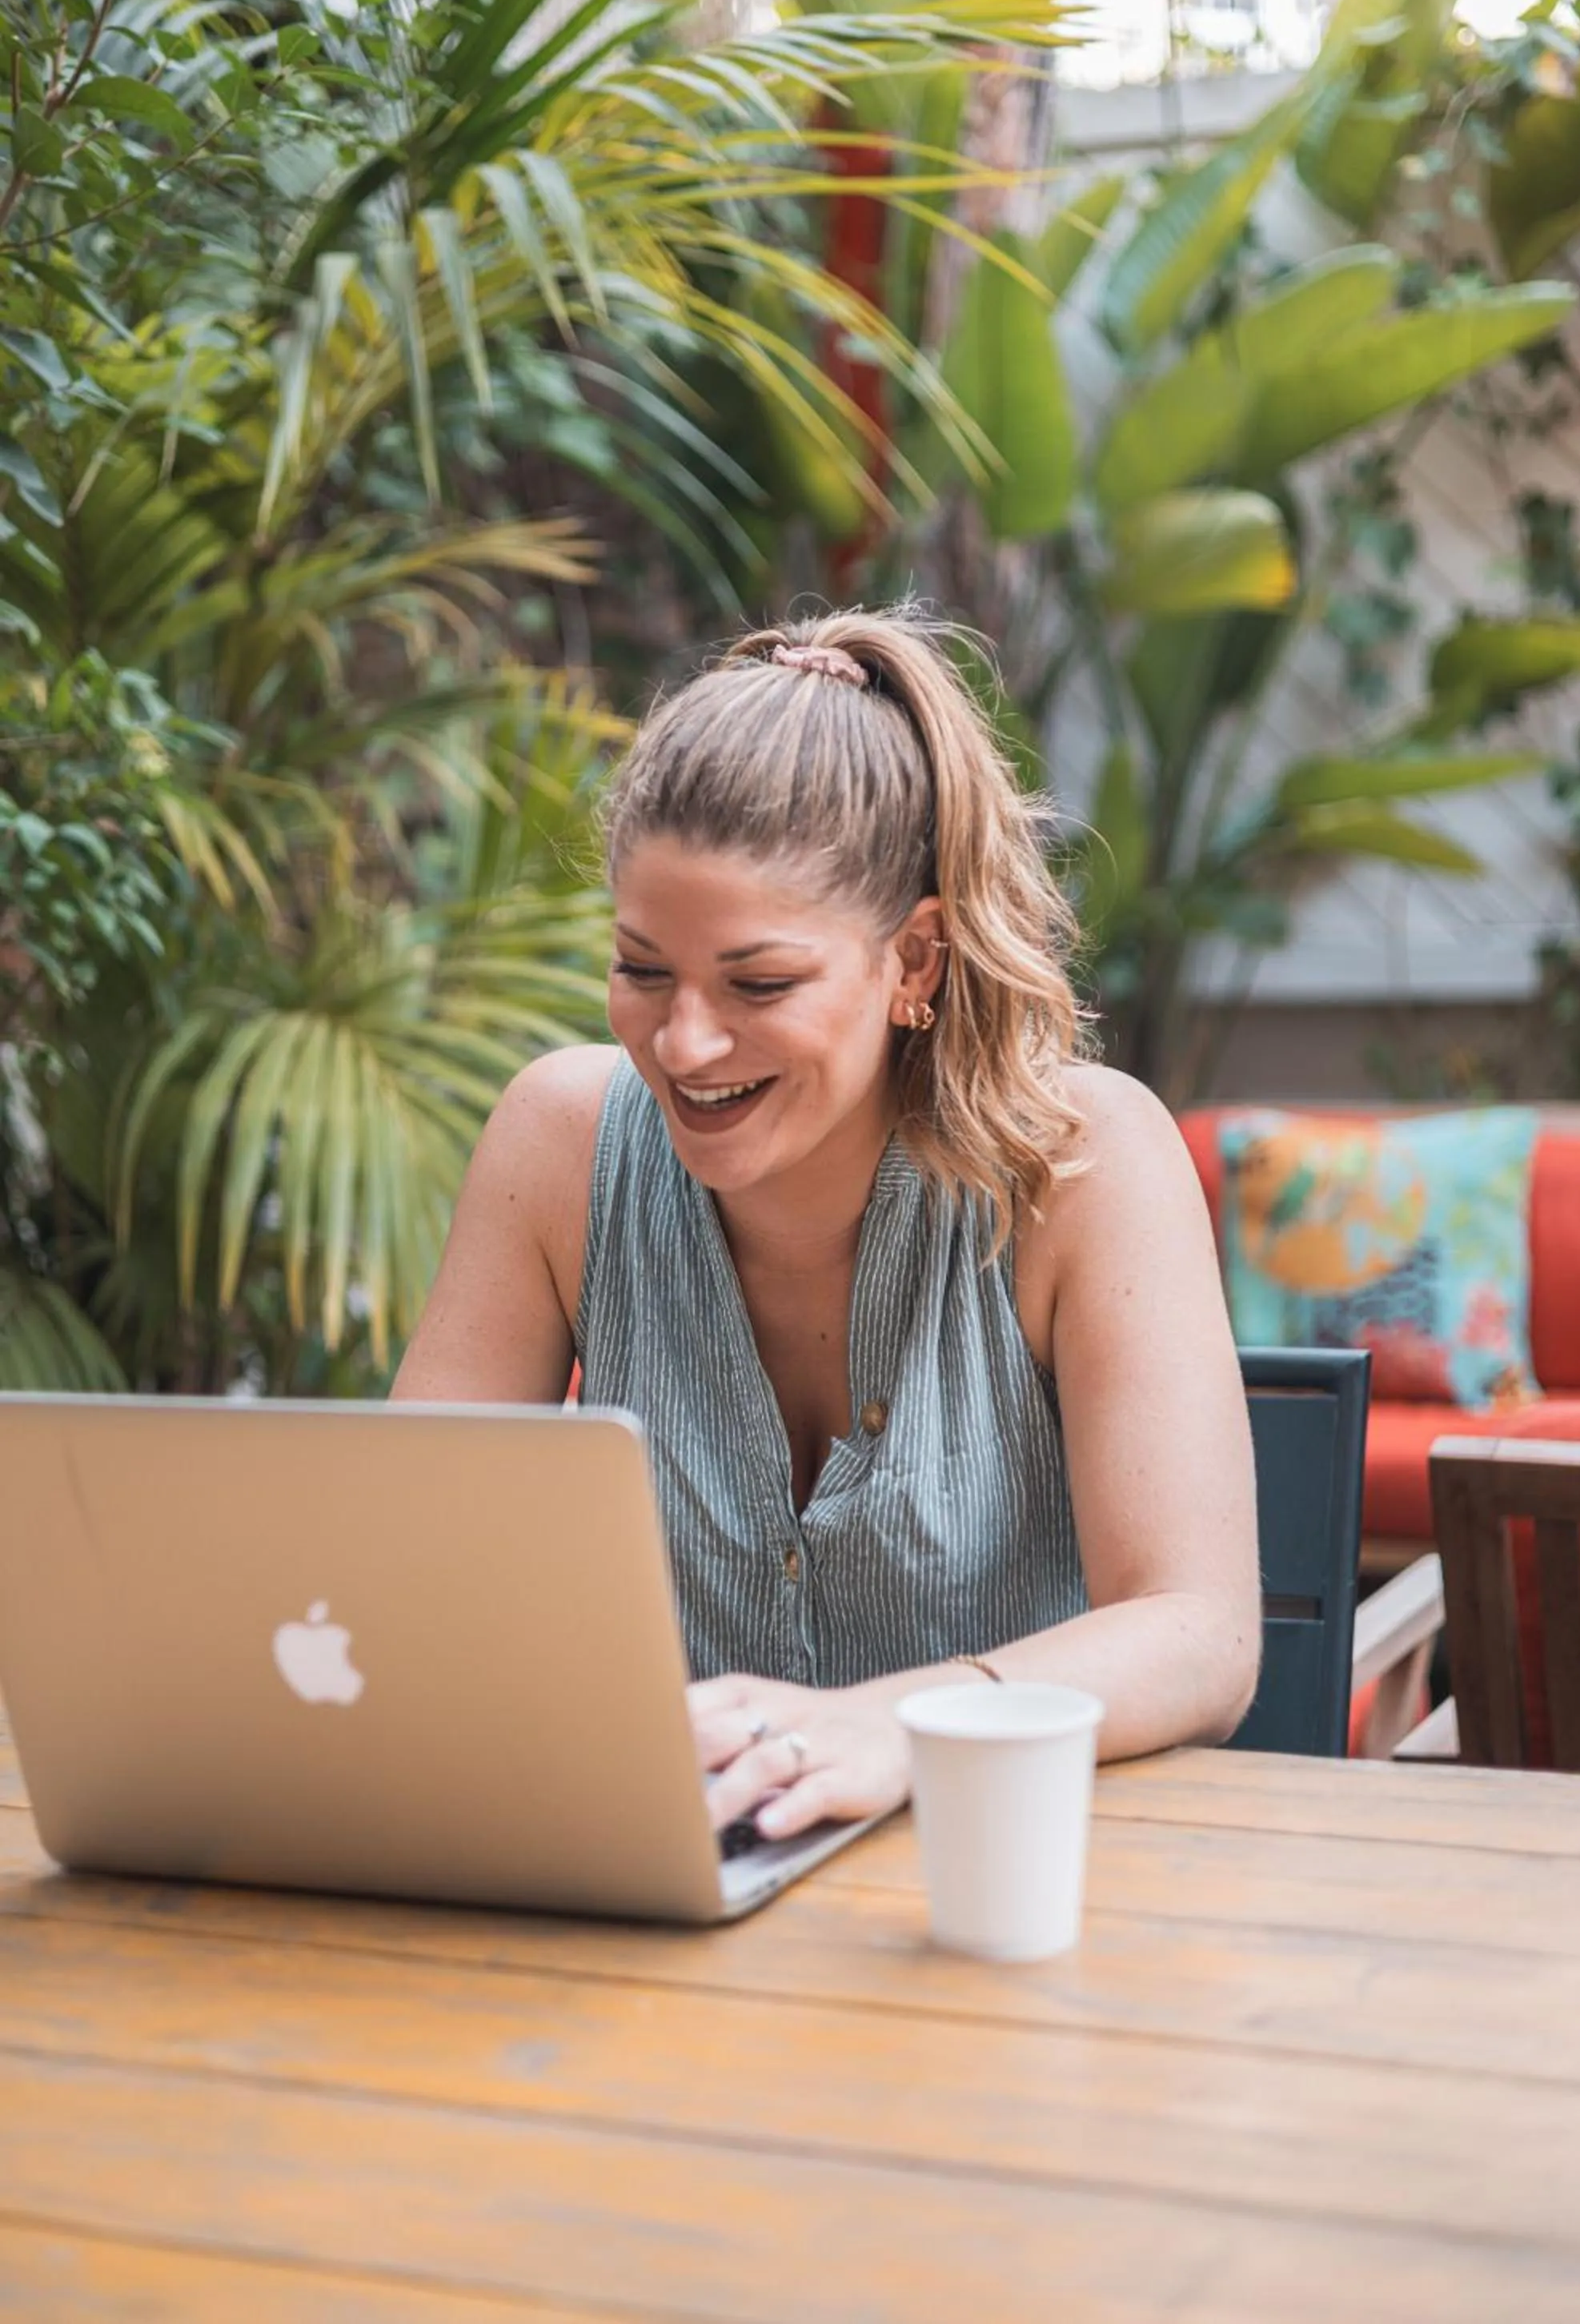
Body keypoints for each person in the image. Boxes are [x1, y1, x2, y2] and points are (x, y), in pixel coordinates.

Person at [393, 607, 1261, 1843]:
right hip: (663, 1895)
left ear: (913, 961)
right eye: (643, 969)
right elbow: (401, 1572)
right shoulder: (557, 1146)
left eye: (758, 984)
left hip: (1004, 1889)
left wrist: (897, 1726)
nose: (683, 1044)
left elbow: (1200, 1635)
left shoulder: (1081, 1167)